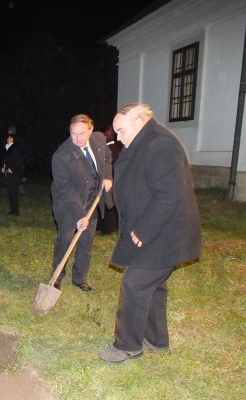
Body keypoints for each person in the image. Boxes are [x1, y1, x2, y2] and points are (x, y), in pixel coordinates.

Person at [98, 103, 201, 363]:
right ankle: (156, 340)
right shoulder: (144, 143)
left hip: (163, 233)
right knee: (153, 287)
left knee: (135, 284)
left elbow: (170, 195)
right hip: (157, 232)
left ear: (140, 120)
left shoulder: (161, 145)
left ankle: (127, 345)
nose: (117, 137)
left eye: (120, 130)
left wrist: (143, 229)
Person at [51, 114, 113, 291]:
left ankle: (79, 278)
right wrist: (79, 215)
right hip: (68, 204)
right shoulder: (61, 156)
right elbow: (64, 189)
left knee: (86, 241)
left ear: (91, 130)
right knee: (66, 240)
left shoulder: (99, 139)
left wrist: (107, 176)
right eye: (73, 133)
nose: (77, 138)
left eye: (82, 134)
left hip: (93, 200)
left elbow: (108, 158)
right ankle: (57, 277)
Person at [1, 132, 23, 215]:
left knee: (14, 193)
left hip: (14, 174)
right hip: (8, 173)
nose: (8, 139)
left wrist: (12, 169)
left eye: (10, 138)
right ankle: (12, 210)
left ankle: (15, 211)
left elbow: (19, 160)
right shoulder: (6, 148)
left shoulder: (15, 147)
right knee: (10, 192)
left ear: (13, 139)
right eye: (8, 138)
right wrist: (3, 167)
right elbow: (5, 160)